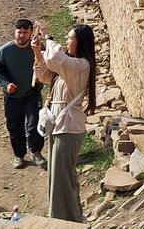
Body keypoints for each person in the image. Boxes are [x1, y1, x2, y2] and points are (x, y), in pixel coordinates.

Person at [33, 21, 96, 222]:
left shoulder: (81, 66)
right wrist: (37, 53)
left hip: (68, 128)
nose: (67, 41)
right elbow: (44, 75)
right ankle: (64, 218)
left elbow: (54, 57)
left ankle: (68, 220)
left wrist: (48, 37)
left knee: (63, 177)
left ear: (80, 42)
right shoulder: (70, 65)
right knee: (57, 175)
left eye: (70, 38)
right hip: (59, 127)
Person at [0, 19, 47, 169]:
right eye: (19, 32)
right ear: (14, 32)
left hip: (32, 94)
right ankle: (19, 155)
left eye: (25, 32)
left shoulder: (37, 48)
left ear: (30, 33)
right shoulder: (4, 51)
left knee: (34, 124)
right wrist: (6, 84)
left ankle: (36, 153)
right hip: (13, 97)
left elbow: (49, 61)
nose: (21, 35)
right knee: (15, 127)